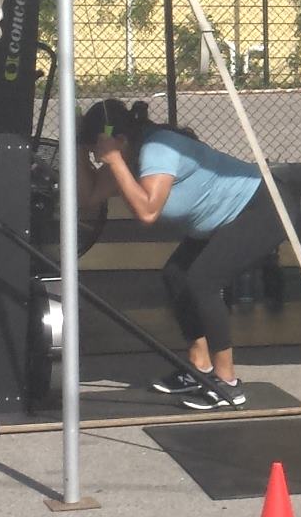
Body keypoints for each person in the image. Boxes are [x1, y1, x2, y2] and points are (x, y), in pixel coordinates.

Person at [73, 98, 284, 410]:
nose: (99, 158)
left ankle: (226, 383)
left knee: (202, 281)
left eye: (100, 151)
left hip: (261, 207)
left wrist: (115, 162)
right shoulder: (128, 158)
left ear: (120, 141)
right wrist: (77, 151)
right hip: (222, 220)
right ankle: (200, 368)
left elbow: (147, 212)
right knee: (176, 275)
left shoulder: (158, 149)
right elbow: (88, 198)